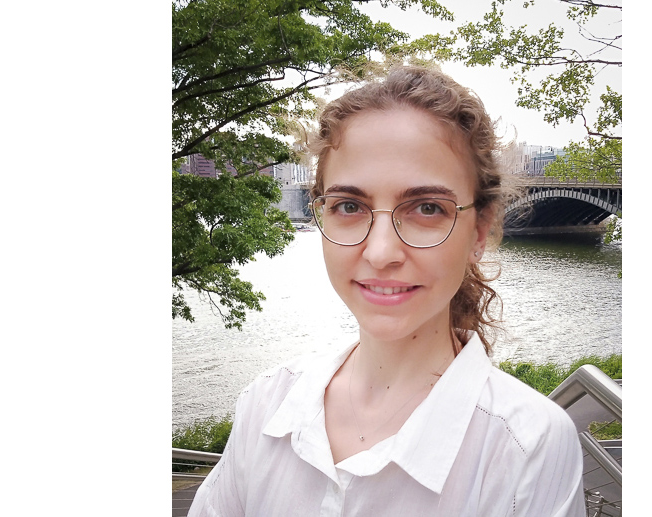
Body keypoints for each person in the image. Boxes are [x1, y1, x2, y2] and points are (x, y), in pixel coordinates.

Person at [187, 65, 585, 516]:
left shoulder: (526, 447)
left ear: (480, 230)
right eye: (349, 206)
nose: (380, 252)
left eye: (427, 208)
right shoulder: (264, 405)